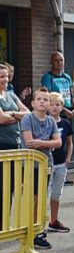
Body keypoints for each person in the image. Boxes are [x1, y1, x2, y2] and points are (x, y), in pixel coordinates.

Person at [21, 88, 62, 249]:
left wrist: (41, 143)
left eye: (46, 100)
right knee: (33, 198)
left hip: (46, 163)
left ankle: (38, 229)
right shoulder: (27, 118)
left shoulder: (51, 121)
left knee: (41, 197)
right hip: (30, 164)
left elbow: (58, 143)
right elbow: (30, 143)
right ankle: (31, 230)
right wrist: (47, 143)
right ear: (33, 102)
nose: (43, 102)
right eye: (39, 99)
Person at [0, 64, 30, 232]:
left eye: (6, 76)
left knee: (10, 186)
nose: (4, 79)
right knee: (1, 187)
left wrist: (11, 114)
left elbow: (28, 112)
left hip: (15, 145)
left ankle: (5, 223)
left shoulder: (11, 95)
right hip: (1, 145)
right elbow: (1, 120)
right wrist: (16, 115)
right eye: (1, 77)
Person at [47, 92, 73, 233]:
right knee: (42, 193)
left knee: (56, 194)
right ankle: (39, 222)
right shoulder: (44, 122)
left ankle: (54, 220)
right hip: (47, 163)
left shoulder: (65, 123)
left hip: (61, 164)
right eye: (52, 104)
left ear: (62, 107)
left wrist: (68, 158)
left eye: (58, 105)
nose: (55, 107)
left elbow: (69, 143)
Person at [41, 52, 74, 121]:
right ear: (51, 62)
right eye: (56, 60)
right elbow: (48, 96)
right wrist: (63, 109)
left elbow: (72, 96)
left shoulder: (67, 77)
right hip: (56, 112)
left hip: (68, 112)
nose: (59, 62)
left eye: (61, 60)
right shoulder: (48, 77)